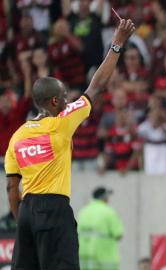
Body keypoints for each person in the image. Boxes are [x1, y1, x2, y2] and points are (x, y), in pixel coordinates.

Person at [4, 19, 135, 270]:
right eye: (64, 96)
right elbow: (96, 87)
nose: (68, 99)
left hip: (27, 211)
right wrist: (117, 44)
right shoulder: (61, 122)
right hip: (54, 208)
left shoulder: (19, 135)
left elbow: (12, 186)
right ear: (54, 101)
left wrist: (22, 219)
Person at [77, 186, 124, 270]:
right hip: (103, 261)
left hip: (85, 260)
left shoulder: (83, 212)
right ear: (104, 197)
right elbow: (119, 234)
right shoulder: (108, 212)